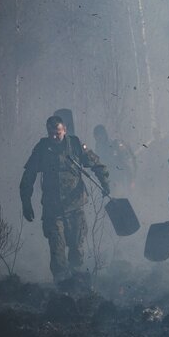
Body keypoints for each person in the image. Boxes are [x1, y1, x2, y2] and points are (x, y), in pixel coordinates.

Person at [20, 116, 110, 284]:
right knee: (57, 248)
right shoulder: (42, 148)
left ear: (65, 131)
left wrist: (105, 182)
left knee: (76, 247)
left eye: (58, 133)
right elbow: (28, 175)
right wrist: (26, 201)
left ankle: (76, 281)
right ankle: (61, 284)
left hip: (75, 207)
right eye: (51, 134)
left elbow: (96, 163)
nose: (54, 137)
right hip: (52, 210)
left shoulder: (75, 145)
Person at [93, 124, 137, 192]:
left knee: (120, 193)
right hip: (106, 175)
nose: (99, 137)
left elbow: (122, 160)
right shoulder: (97, 146)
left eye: (100, 135)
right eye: (97, 135)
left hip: (117, 174)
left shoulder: (113, 143)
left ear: (104, 134)